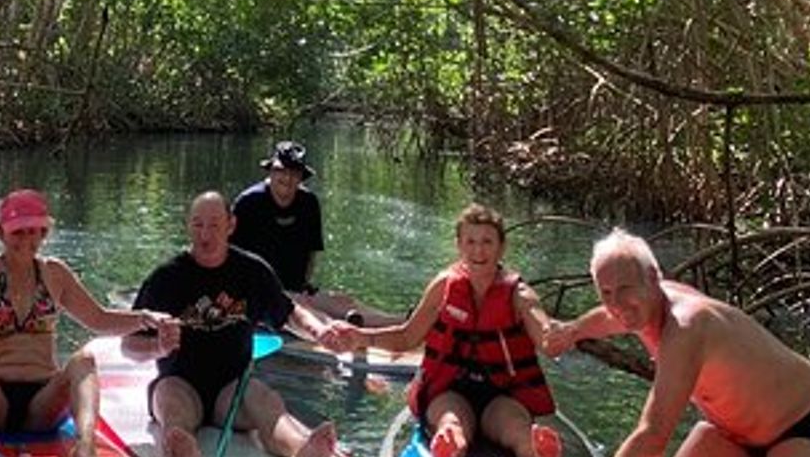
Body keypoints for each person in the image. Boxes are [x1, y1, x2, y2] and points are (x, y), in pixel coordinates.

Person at [541, 230, 810, 457]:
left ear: (653, 277)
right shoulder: (642, 305)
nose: (616, 302)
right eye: (606, 292)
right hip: (732, 436)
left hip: (806, 422)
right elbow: (608, 318)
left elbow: (654, 433)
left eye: (624, 288)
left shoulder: (686, 326)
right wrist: (572, 331)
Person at [0, 188, 178, 457]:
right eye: (17, 232)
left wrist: (146, 318)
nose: (25, 239)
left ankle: (86, 444)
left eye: (32, 231)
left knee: (84, 360)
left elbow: (99, 319)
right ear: (1, 234)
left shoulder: (55, 273)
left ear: (43, 233)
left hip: (42, 401)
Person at [321, 204, 559, 457]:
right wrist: (360, 337)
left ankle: (534, 449)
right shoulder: (443, 287)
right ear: (459, 245)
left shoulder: (519, 295)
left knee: (516, 429)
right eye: (470, 241)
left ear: (501, 247)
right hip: (450, 389)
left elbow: (545, 333)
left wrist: (559, 334)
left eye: (487, 241)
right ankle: (449, 444)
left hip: (502, 394)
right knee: (452, 424)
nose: (478, 250)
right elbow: (407, 337)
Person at [122, 191, 342, 457]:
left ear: (231, 225)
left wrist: (318, 331)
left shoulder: (252, 271)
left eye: (214, 225)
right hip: (180, 383)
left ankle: (302, 449)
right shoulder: (166, 278)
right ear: (188, 226)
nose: (205, 235)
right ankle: (182, 447)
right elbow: (128, 345)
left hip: (233, 389)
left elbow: (289, 313)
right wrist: (157, 347)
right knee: (170, 402)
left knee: (266, 401)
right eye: (198, 225)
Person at [230, 141, 325, 297]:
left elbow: (312, 252)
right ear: (271, 172)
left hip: (295, 291)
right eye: (281, 171)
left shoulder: (309, 204)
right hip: (252, 289)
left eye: (294, 173)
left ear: (301, 177)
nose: (287, 178)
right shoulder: (248, 203)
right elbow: (229, 250)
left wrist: (302, 287)